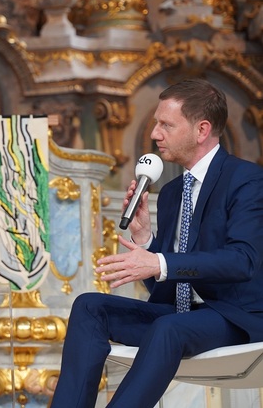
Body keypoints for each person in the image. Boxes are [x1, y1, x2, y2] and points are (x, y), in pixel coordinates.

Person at [51, 78, 263, 408]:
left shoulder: (246, 180)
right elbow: (164, 290)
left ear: (201, 130)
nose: (154, 134)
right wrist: (145, 240)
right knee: (89, 306)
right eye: (155, 124)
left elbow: (242, 261)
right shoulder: (171, 193)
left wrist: (159, 262)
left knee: (168, 327)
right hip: (181, 318)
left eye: (166, 124)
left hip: (235, 318)